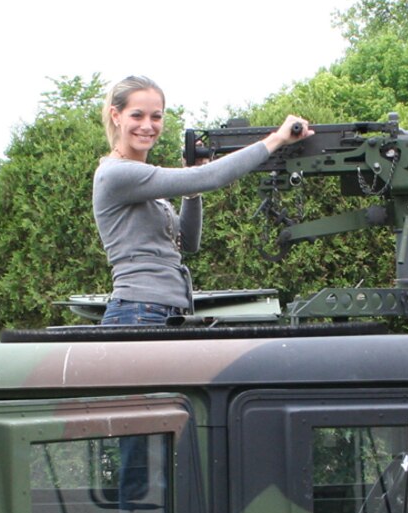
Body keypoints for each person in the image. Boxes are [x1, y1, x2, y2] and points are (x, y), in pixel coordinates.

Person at [92, 75, 312, 326]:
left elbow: (188, 242)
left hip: (166, 311)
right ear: (116, 115)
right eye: (137, 115)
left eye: (156, 116)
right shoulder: (115, 174)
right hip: (138, 312)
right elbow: (210, 176)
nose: (147, 125)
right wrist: (276, 139)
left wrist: (192, 193)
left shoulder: (139, 178)